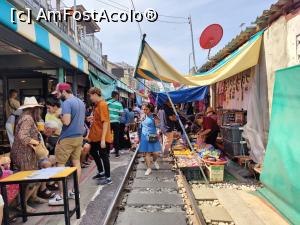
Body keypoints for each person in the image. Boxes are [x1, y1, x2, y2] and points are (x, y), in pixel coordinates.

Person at [49, 83, 85, 206]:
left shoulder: (67, 103)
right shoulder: (80, 102)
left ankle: (61, 196)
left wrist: (59, 115)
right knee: (76, 163)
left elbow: (67, 121)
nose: (57, 96)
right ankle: (75, 191)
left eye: (58, 93)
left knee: (60, 165)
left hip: (67, 138)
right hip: (78, 137)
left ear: (64, 91)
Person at [11, 97, 47, 212]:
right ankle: (22, 204)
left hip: (25, 153)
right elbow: (23, 136)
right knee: (30, 180)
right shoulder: (28, 119)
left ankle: (32, 198)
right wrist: (36, 142)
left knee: (33, 178)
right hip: (24, 154)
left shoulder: (26, 117)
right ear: (34, 108)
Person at [87, 87, 113, 185]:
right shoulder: (97, 105)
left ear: (95, 94)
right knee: (93, 151)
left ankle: (108, 177)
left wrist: (103, 140)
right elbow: (100, 119)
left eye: (90, 96)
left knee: (104, 156)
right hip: (96, 135)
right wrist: (93, 118)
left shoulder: (102, 104)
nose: (90, 98)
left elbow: (105, 122)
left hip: (101, 136)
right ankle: (101, 171)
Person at [138, 103, 161, 176]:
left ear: (150, 109)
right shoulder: (142, 116)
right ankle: (149, 168)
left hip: (152, 135)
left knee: (156, 153)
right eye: (143, 109)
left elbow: (158, 126)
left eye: (146, 109)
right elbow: (141, 126)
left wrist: (158, 128)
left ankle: (154, 161)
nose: (144, 111)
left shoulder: (154, 116)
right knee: (147, 153)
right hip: (144, 136)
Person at [107, 91, 124, 158]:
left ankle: (107, 153)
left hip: (108, 122)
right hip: (116, 122)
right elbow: (121, 114)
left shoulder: (107, 103)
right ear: (116, 96)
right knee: (116, 137)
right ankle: (117, 153)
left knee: (108, 137)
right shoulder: (119, 104)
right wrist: (117, 113)